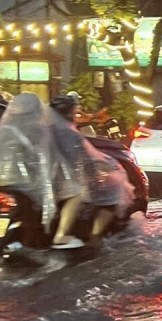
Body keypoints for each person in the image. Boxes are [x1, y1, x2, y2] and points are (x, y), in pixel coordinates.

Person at [0, 93, 59, 248]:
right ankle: (33, 246)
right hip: (21, 187)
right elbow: (43, 159)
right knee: (36, 218)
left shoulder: (5, 129)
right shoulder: (36, 130)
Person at [50, 94, 132, 249]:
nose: (77, 114)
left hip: (50, 178)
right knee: (108, 195)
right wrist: (103, 171)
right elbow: (85, 157)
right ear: (69, 112)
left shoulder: (48, 129)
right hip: (62, 181)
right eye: (75, 111)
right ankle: (89, 236)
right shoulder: (67, 133)